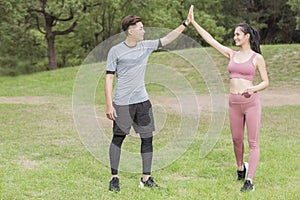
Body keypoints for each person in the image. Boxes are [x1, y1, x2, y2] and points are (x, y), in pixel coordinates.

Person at [105, 12, 191, 192]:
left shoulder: (145, 46)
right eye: (140, 28)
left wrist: (185, 23)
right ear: (130, 31)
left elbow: (167, 39)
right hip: (122, 103)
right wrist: (109, 104)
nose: (143, 31)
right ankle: (114, 178)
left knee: (147, 138)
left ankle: (146, 178)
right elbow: (109, 78)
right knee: (118, 139)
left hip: (142, 102)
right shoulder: (115, 51)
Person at [189, 6, 269, 192]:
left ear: (247, 36)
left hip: (251, 103)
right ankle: (241, 168)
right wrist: (194, 23)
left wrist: (253, 88)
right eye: (234, 35)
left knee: (253, 142)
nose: (235, 38)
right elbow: (211, 40)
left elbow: (266, 82)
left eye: (238, 35)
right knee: (236, 140)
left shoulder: (257, 58)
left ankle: (249, 181)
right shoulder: (232, 54)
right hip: (233, 102)